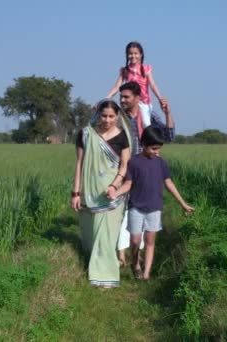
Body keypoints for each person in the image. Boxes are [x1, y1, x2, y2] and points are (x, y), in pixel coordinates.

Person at [108, 126, 194, 280]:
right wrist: (115, 192)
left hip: (154, 208)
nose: (157, 152)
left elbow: (169, 184)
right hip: (136, 207)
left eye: (159, 148)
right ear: (144, 144)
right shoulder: (133, 162)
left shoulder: (161, 163)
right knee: (135, 240)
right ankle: (135, 264)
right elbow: (128, 184)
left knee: (150, 241)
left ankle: (146, 273)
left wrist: (183, 203)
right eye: (154, 148)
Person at [111, 81, 176, 266]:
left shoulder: (147, 114)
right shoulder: (118, 116)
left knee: (136, 211)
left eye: (126, 97)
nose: (122, 100)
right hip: (122, 169)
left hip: (143, 169)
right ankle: (121, 254)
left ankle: (134, 256)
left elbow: (168, 136)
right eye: (120, 97)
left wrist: (167, 112)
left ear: (137, 98)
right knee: (120, 210)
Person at [71, 99, 132, 288]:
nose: (107, 120)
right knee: (91, 235)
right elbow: (80, 164)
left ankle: (105, 277)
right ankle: (94, 265)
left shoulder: (123, 137)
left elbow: (124, 166)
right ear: (98, 114)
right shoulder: (86, 135)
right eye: (104, 115)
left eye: (112, 116)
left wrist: (114, 186)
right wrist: (76, 193)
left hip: (112, 195)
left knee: (106, 236)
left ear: (117, 116)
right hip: (90, 193)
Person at [106, 41, 167, 130]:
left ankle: (147, 142)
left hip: (143, 101)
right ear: (127, 55)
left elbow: (152, 84)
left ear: (141, 54)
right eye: (130, 54)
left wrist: (160, 98)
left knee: (146, 124)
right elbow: (117, 86)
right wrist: (107, 97)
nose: (133, 56)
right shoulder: (125, 70)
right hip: (129, 101)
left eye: (136, 53)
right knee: (121, 123)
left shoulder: (146, 69)